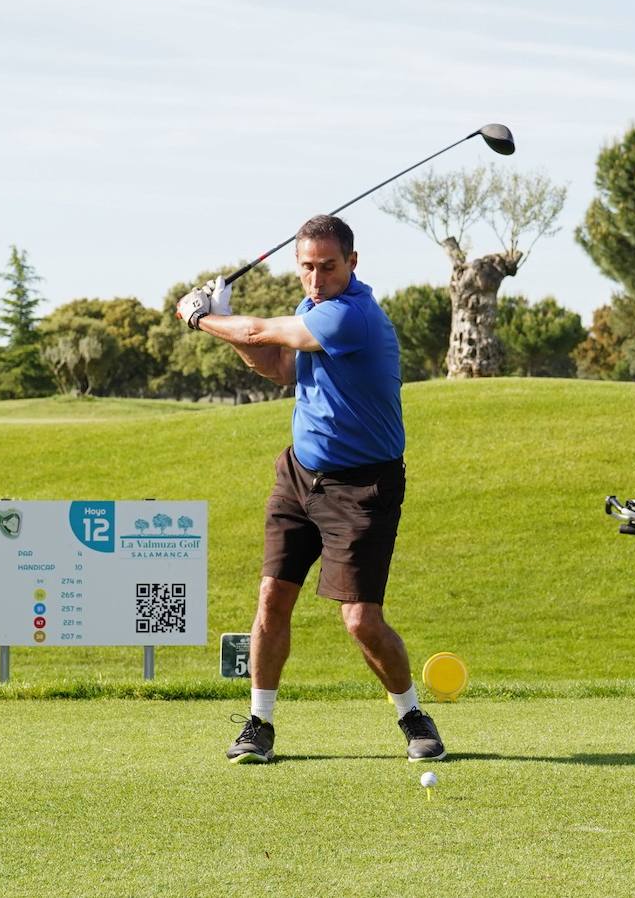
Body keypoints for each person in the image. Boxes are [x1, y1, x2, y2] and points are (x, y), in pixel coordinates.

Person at [175, 214, 445, 765]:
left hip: (363, 485)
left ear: (353, 262)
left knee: (360, 620)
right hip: (300, 475)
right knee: (272, 598)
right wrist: (226, 321)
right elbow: (275, 364)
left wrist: (203, 318)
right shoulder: (312, 309)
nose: (317, 279)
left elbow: (257, 333)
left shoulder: (353, 317)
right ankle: (259, 722)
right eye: (307, 268)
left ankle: (412, 713)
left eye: (327, 266)